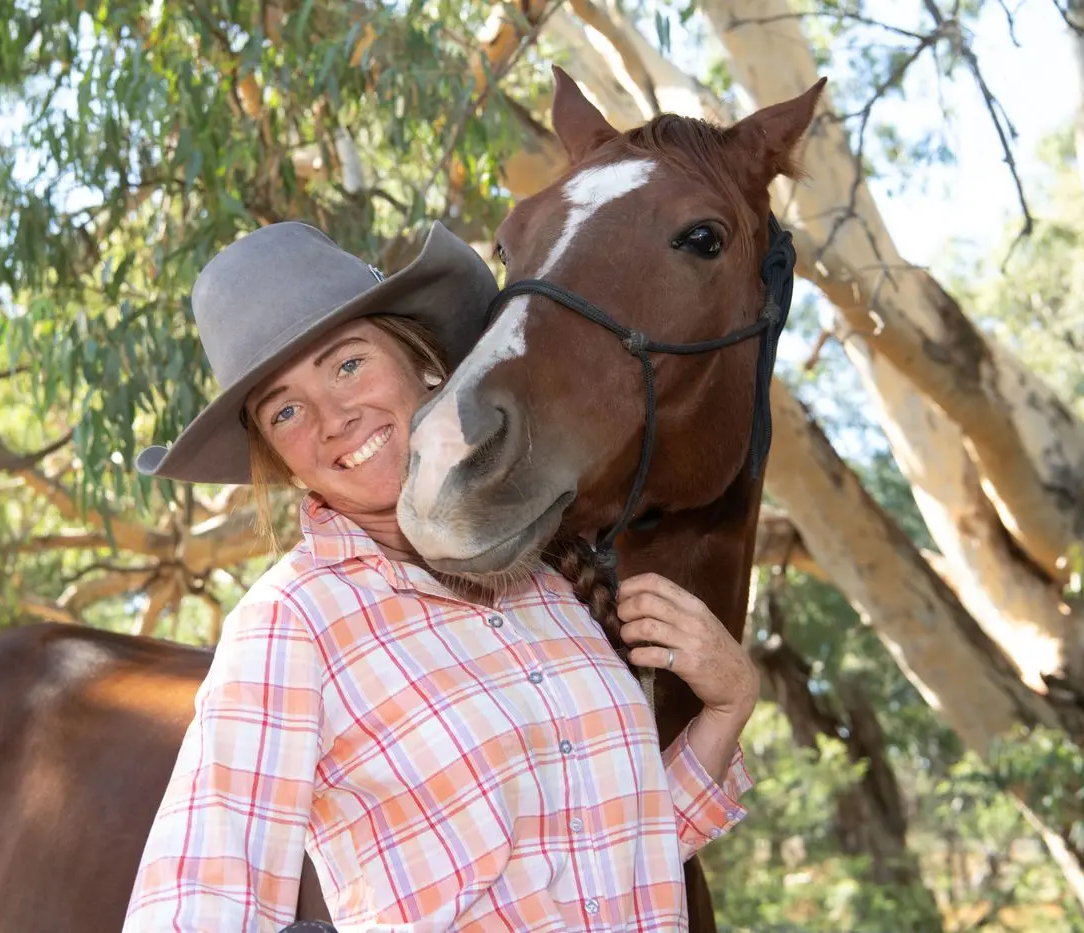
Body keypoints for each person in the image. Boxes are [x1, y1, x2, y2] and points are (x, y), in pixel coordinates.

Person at [123, 220, 759, 933]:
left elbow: (622, 850)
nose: (334, 419)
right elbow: (188, 909)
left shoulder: (543, 584)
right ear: (280, 456)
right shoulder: (293, 621)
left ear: (423, 361)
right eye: (288, 409)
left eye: (347, 365)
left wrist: (729, 704)